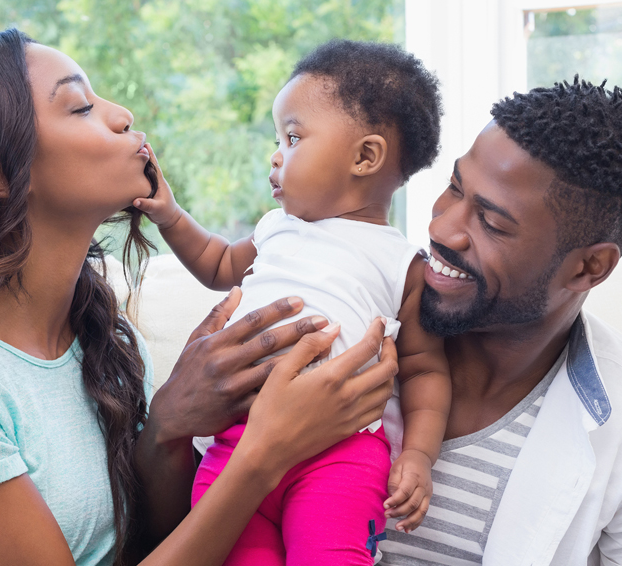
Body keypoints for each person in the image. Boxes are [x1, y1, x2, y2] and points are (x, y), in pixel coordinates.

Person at [0, 29, 399, 566]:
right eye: (79, 107)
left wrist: (168, 424)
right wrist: (266, 451)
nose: (120, 114)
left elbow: (148, 546)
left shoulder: (110, 344)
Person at [133, 40, 451, 564]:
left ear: (365, 157)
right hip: (237, 443)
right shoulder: (276, 229)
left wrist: (417, 454)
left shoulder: (404, 264)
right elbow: (217, 263)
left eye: (293, 137)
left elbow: (423, 371)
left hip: (343, 457)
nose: (276, 155)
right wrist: (170, 216)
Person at [378, 77, 622, 564]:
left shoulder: (614, 428)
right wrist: (176, 426)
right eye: (454, 188)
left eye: (491, 223)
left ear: (587, 268)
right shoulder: (349, 314)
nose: (441, 228)